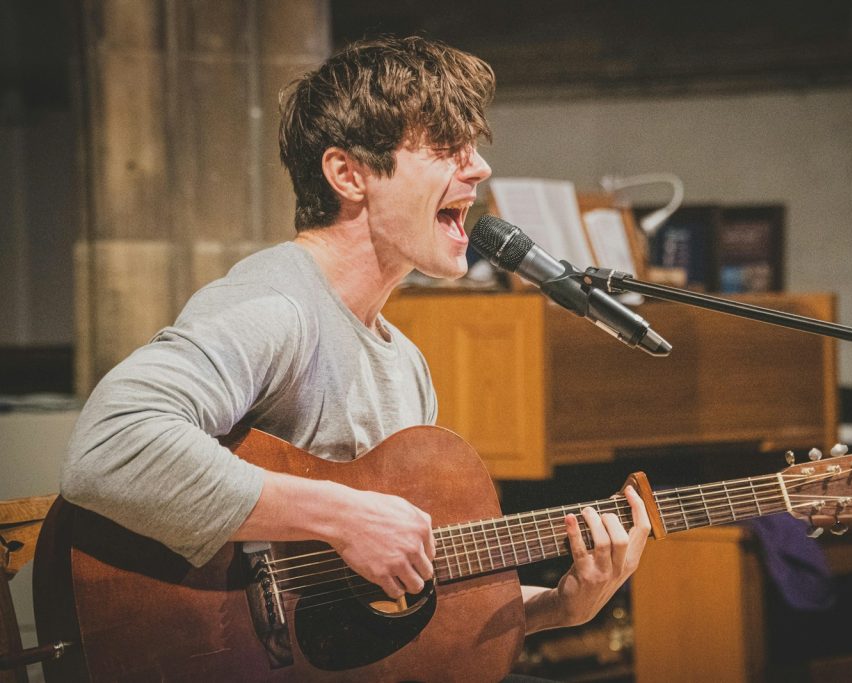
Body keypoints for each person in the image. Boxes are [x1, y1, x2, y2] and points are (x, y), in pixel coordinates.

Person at [61, 35, 650, 667]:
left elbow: (405, 610)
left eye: (473, 148)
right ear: (348, 174)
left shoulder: (406, 364)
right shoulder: (276, 306)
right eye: (447, 149)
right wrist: (342, 515)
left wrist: (559, 608)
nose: (477, 169)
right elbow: (109, 447)